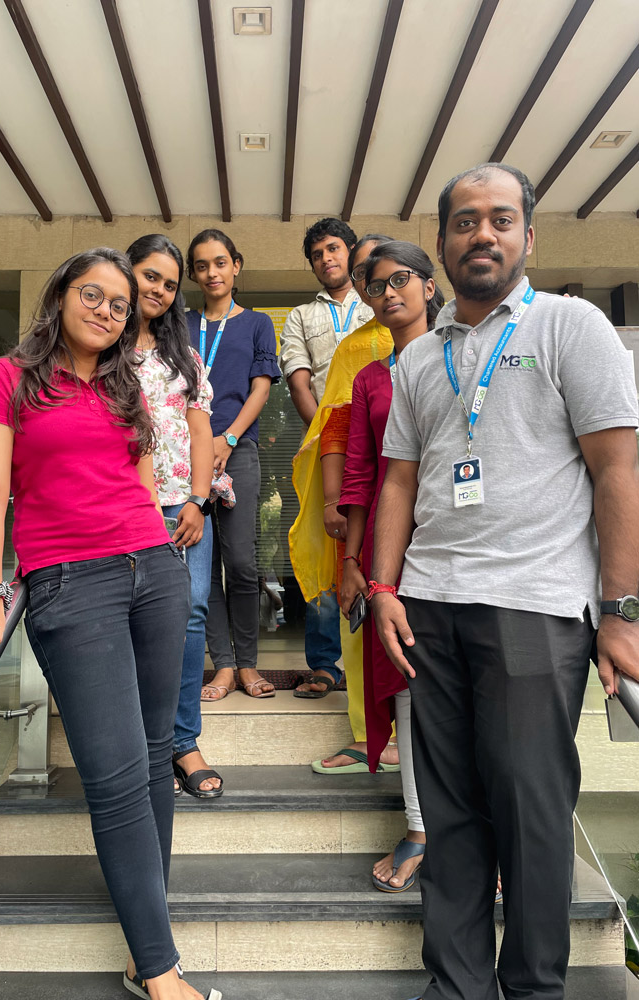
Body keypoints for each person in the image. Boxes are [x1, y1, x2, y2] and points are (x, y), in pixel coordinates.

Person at [370, 163, 639, 1000]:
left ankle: (531, 989)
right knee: (448, 815)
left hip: (536, 605)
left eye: (499, 218)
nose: (481, 233)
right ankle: (456, 987)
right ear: (442, 241)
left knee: (530, 810)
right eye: (464, 221)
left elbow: (619, 469)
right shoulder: (421, 358)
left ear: (528, 234)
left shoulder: (570, 326)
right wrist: (383, 588)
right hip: (429, 607)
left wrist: (621, 612)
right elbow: (399, 482)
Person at [0, 248, 220, 1000]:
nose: (106, 310)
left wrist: (159, 551)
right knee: (115, 774)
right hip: (70, 584)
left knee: (156, 756)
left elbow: (139, 479)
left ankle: (147, 955)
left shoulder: (123, 382)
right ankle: (162, 973)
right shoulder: (7, 378)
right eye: (92, 294)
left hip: (153, 571)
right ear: (61, 296)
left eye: (119, 303)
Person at [338, 241, 444, 891]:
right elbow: (358, 475)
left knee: (468, 682)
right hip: (389, 544)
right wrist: (353, 561)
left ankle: (479, 832)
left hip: (460, 537)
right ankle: (420, 828)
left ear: (430, 285)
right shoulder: (370, 379)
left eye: (400, 279)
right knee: (405, 678)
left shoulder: (464, 356)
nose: (388, 294)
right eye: (375, 287)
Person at [289, 234, 399, 775]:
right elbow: (335, 429)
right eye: (366, 276)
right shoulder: (355, 349)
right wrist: (335, 501)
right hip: (367, 499)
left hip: (438, 504)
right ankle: (368, 735)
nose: (381, 287)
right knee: (360, 609)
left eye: (391, 275)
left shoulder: (450, 337)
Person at [126, 234, 221, 801]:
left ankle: (183, 741)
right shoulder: (102, 349)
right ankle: (139, 742)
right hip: (122, 507)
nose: (159, 290)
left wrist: (198, 500)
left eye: (169, 283)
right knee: (133, 622)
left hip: (182, 505)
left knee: (189, 615)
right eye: (149, 276)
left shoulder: (183, 356)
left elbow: (200, 430)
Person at [281, 219, 374, 701]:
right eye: (317, 254)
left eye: (333, 249)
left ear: (351, 251)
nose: (326, 259)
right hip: (325, 444)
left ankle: (374, 659)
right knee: (324, 546)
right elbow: (299, 382)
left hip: (381, 439)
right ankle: (323, 664)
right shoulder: (300, 315)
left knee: (374, 543)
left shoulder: (377, 300)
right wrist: (328, 436)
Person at [185, 229, 281, 700]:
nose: (212, 273)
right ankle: (222, 665)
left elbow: (260, 388)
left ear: (236, 265)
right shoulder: (179, 324)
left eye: (220, 262)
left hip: (236, 448)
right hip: (186, 451)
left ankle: (247, 663)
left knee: (241, 561)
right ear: (193, 274)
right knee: (203, 565)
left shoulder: (258, 323)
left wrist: (227, 438)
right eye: (202, 265)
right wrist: (204, 444)